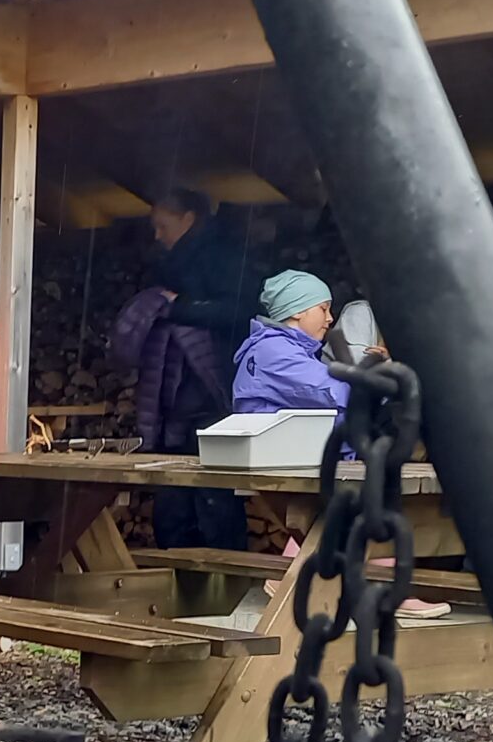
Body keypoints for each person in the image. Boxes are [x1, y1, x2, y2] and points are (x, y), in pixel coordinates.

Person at [144, 189, 251, 549]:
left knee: (211, 494)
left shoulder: (223, 257)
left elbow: (238, 311)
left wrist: (179, 308)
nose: (157, 236)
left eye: (163, 226)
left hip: (212, 389)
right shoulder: (178, 261)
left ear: (188, 219)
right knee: (177, 497)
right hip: (182, 398)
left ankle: (225, 579)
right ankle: (182, 578)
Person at [233, 270, 348, 414]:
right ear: (297, 311)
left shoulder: (285, 348)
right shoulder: (273, 351)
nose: (330, 318)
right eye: (323, 309)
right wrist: (377, 386)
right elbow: (332, 392)